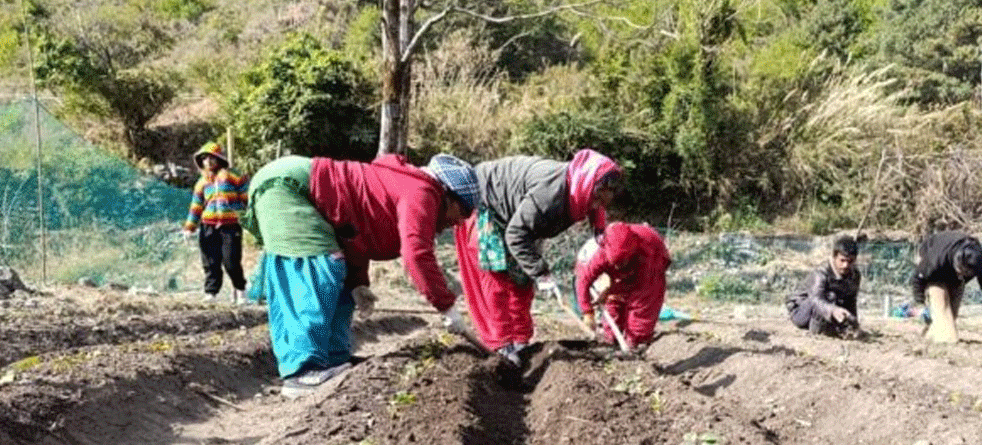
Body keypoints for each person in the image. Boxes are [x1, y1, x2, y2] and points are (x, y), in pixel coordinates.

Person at [242, 152, 480, 397]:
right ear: (450, 197)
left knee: (340, 277)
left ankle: (333, 360)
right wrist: (446, 306)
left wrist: (358, 283)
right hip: (288, 188)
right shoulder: (422, 192)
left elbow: (354, 235)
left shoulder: (414, 187)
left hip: (296, 186)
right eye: (462, 212)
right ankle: (302, 373)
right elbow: (417, 255)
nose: (458, 222)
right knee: (317, 268)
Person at [454, 149, 624, 366]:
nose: (598, 203)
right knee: (497, 281)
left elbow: (599, 220)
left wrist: (604, 252)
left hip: (520, 222)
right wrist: (542, 274)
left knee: (523, 283)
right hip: (488, 205)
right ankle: (502, 347)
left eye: (602, 200)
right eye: (596, 197)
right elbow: (516, 235)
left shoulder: (584, 190)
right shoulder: (551, 193)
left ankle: (521, 343)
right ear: (588, 184)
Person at [907, 230, 982, 344]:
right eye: (959, 271)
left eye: (964, 274)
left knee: (950, 317)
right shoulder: (935, 260)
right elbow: (918, 278)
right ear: (956, 262)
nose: (960, 275)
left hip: (951, 272)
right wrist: (921, 303)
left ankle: (931, 333)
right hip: (933, 267)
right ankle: (942, 339)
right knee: (948, 331)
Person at [574, 222, 670, 352]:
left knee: (641, 309)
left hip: (650, 265)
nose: (619, 266)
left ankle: (635, 344)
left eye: (622, 262)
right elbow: (584, 279)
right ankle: (611, 340)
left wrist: (633, 341)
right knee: (613, 303)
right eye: (616, 263)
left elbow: (640, 289)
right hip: (622, 265)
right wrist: (587, 312)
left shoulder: (648, 252)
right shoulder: (601, 252)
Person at [182, 142, 249, 303]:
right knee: (210, 261)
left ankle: (241, 291)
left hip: (230, 226)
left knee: (231, 261)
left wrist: (245, 216)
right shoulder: (202, 182)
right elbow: (196, 206)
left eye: (212, 158)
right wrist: (189, 227)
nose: (209, 161)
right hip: (208, 226)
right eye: (205, 158)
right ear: (201, 162)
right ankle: (211, 293)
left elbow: (246, 199)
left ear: (220, 159)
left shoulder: (234, 176)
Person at [786, 235, 862, 338]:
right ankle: (817, 334)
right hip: (802, 311)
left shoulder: (855, 275)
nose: (846, 265)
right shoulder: (821, 272)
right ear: (834, 257)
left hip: (828, 308)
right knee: (830, 296)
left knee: (837, 300)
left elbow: (851, 301)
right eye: (842, 260)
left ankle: (832, 328)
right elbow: (816, 299)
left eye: (850, 261)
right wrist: (833, 310)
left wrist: (854, 324)